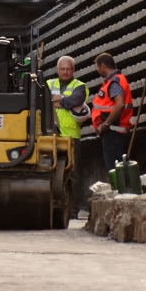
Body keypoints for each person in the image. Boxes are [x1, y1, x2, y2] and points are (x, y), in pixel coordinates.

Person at [47, 55, 88, 223]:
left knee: (73, 174)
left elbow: (76, 100)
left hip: (71, 136)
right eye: (62, 69)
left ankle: (73, 210)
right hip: (50, 136)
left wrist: (57, 101)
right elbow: (42, 100)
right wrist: (65, 101)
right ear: (58, 70)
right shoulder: (49, 84)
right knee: (49, 171)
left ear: (73, 70)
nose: (65, 72)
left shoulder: (80, 86)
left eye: (68, 69)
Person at [90, 53, 135, 173]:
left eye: (97, 67)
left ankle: (122, 191)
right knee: (120, 167)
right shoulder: (117, 80)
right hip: (115, 132)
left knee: (115, 170)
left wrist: (106, 123)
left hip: (113, 133)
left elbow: (119, 104)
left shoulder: (114, 82)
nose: (97, 70)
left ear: (103, 65)